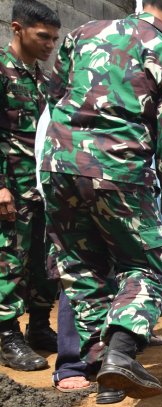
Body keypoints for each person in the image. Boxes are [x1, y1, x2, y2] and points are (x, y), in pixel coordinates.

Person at [42, 0, 162, 399]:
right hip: (120, 170)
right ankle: (121, 352)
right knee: (148, 265)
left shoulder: (82, 34)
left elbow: (56, 94)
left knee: (81, 267)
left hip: (59, 165)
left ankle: (102, 366)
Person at [0, 0, 60, 371]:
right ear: (16, 28)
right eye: (43, 37)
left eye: (54, 39)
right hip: (11, 188)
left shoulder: (43, 79)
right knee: (9, 261)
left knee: (43, 262)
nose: (50, 45)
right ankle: (7, 336)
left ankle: (39, 326)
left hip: (41, 188)